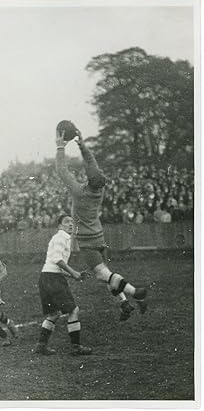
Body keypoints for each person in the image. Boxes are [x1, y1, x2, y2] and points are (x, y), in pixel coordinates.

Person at [55, 125, 148, 321]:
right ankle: (123, 303)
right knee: (106, 272)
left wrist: (60, 146)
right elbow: (92, 164)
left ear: (88, 180)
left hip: (87, 242)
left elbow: (62, 170)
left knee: (102, 275)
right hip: (99, 236)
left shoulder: (80, 192)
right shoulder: (99, 190)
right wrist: (83, 146)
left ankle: (134, 292)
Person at [35, 214, 92, 356]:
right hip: (53, 278)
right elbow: (57, 260)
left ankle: (41, 345)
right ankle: (76, 347)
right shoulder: (62, 237)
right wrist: (74, 273)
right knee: (74, 310)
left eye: (72, 222)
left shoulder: (60, 238)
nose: (70, 224)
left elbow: (56, 265)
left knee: (54, 314)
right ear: (60, 226)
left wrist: (75, 275)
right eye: (66, 222)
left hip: (45, 277)